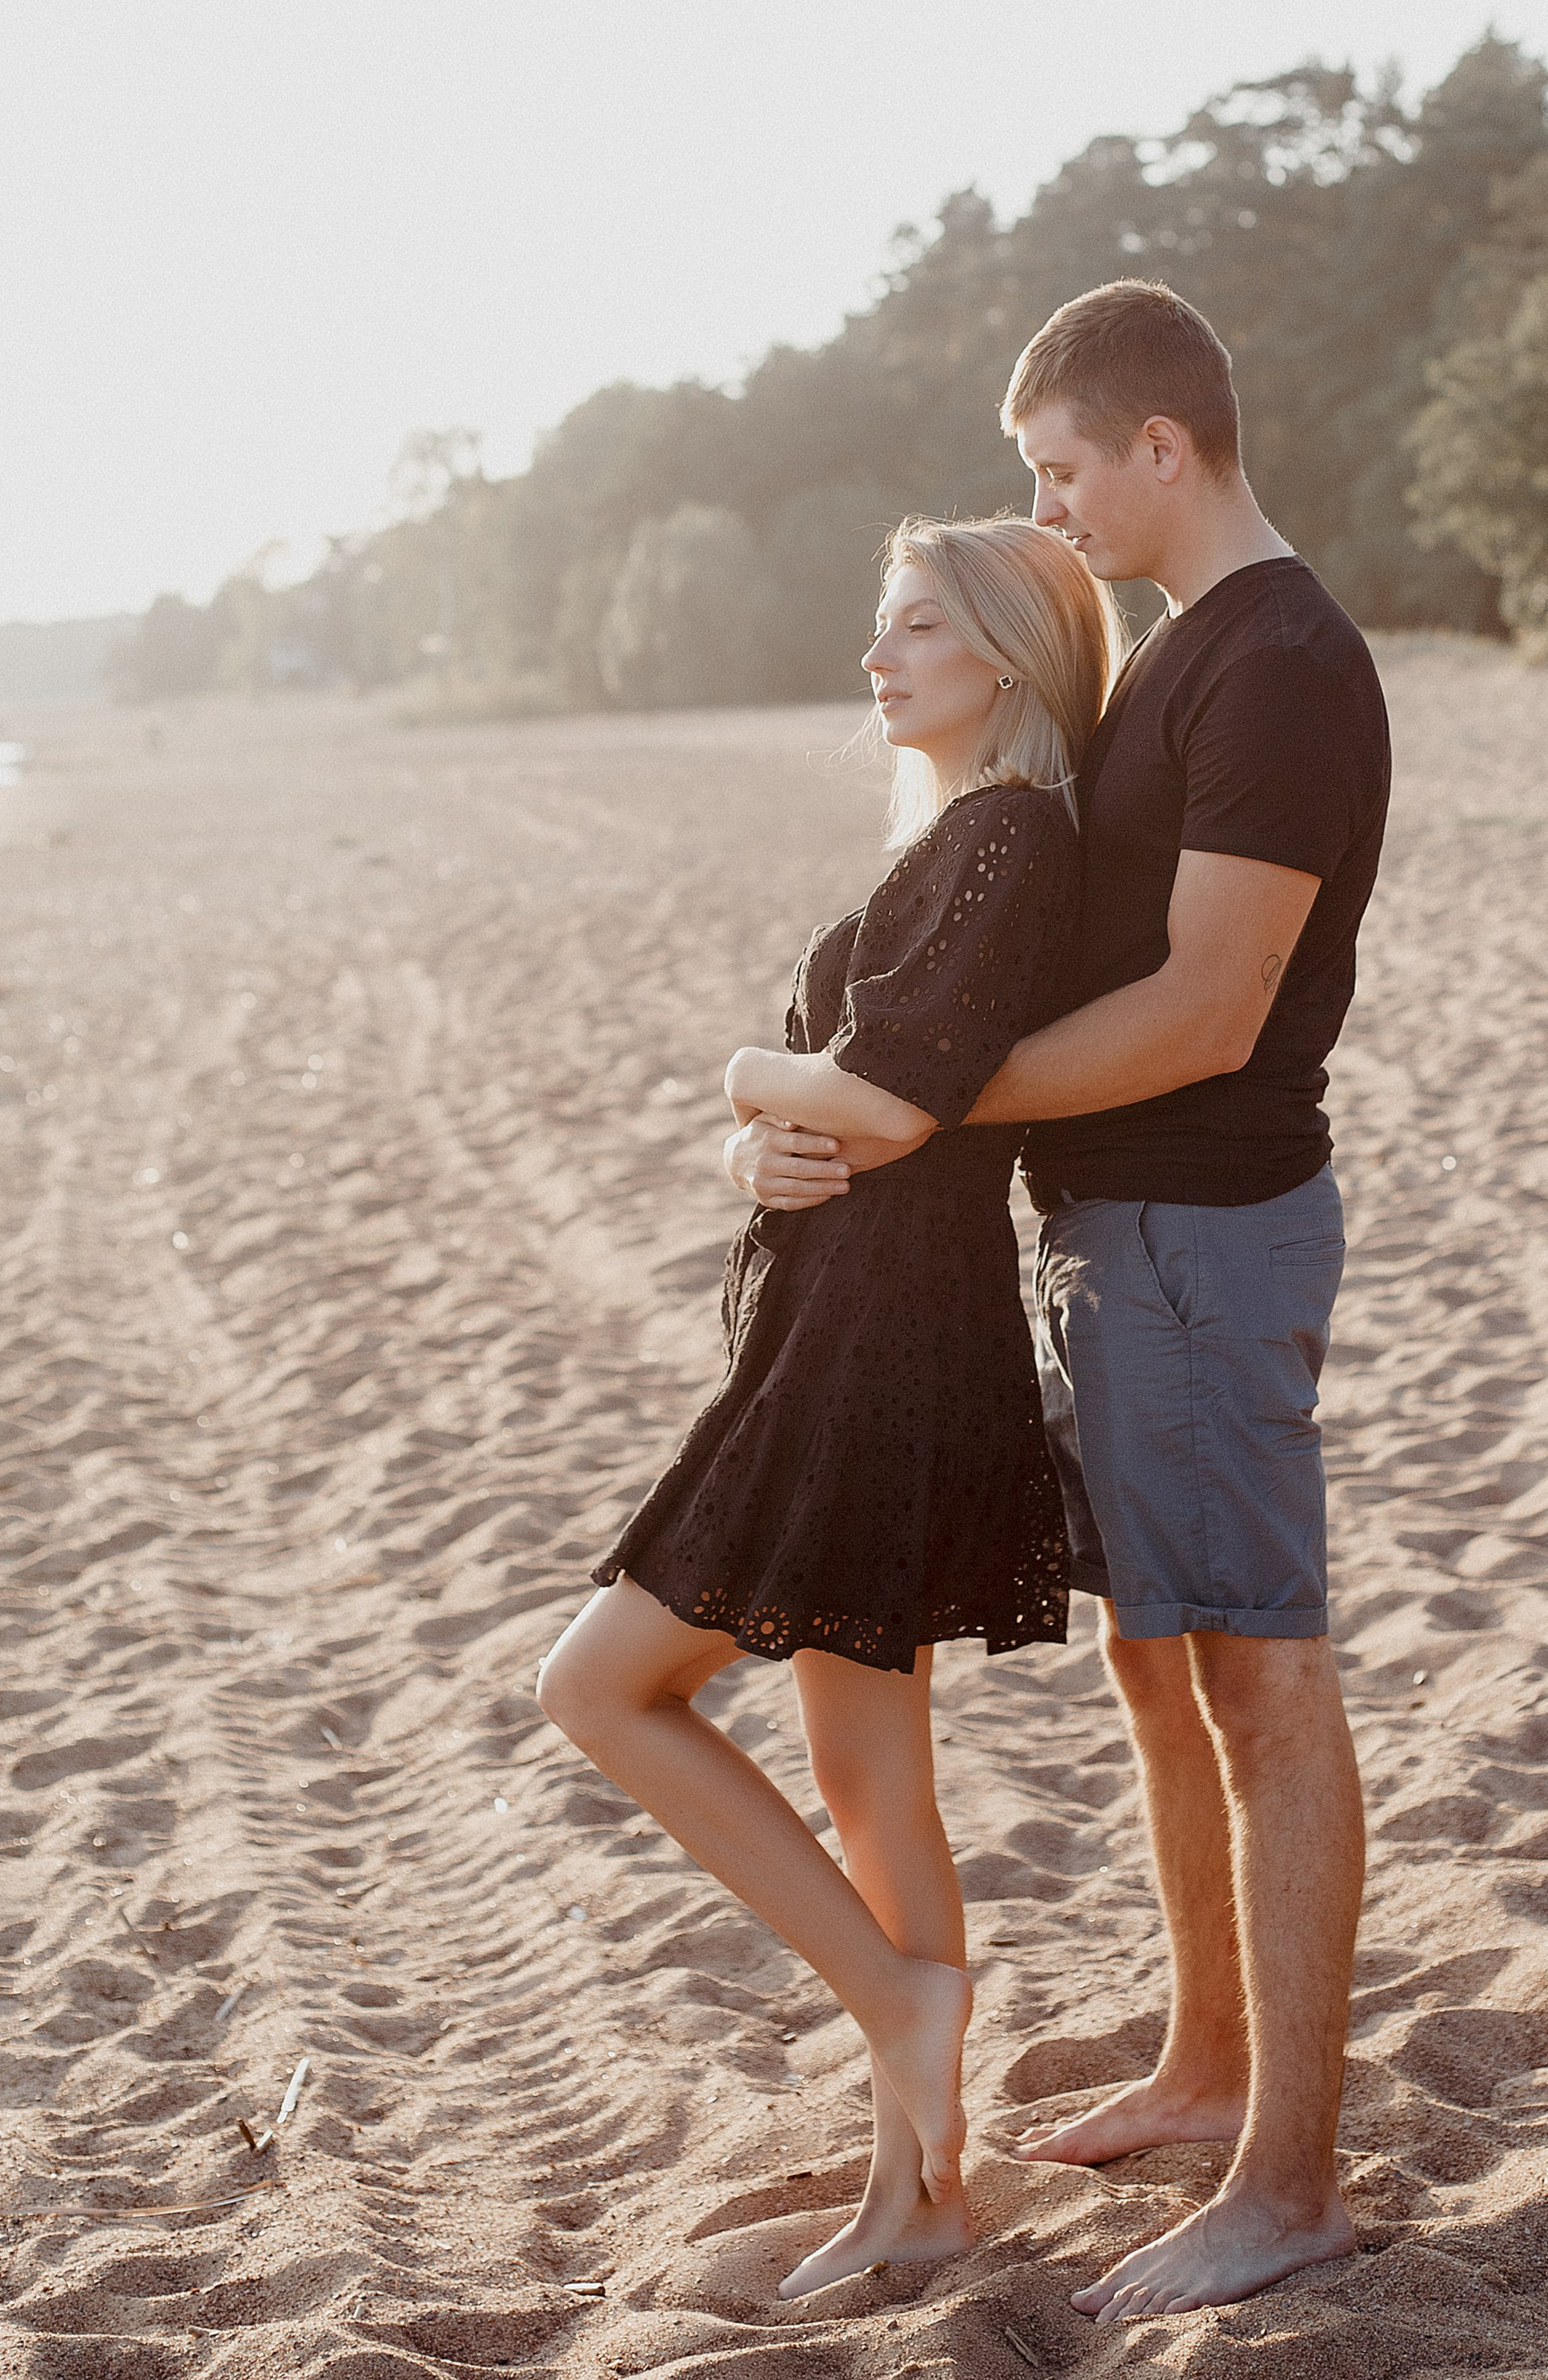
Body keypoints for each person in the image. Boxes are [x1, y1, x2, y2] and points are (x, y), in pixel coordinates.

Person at [739, 281, 1390, 2324]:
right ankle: (1208, 2072)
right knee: (1158, 1662)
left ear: (1159, 447)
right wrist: (887, 1107)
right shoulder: (1189, 652)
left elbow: (1208, 1012)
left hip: (1205, 1236)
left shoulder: (1279, 665)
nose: (1049, 514)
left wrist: (907, 1109)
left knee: (1262, 1685)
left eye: (1059, 473)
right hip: (1122, 1237)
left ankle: (1288, 2183)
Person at [539, 515, 1122, 2301]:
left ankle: (894, 1998)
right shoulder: (955, 836)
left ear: (1008, 657)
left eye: (918, 627)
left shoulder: (1013, 834)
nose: (877, 657)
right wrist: (753, 1147)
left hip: (880, 1348)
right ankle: (918, 2190)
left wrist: (746, 1078)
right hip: (859, 1321)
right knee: (872, 1781)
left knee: (597, 1686)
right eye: (882, 626)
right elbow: (856, 1106)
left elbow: (902, 1097)